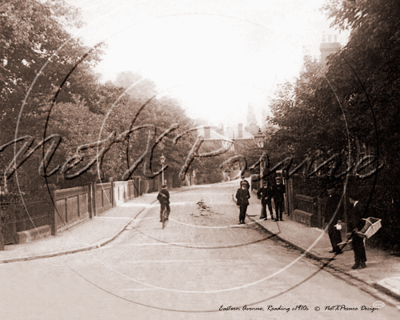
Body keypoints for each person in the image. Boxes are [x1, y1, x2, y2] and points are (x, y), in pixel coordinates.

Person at [348, 197, 367, 269]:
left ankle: (359, 262)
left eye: (349, 199)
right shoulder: (354, 206)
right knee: (357, 245)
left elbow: (362, 219)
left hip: (358, 229)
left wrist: (358, 228)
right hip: (355, 229)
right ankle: (361, 261)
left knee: (358, 245)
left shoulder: (359, 206)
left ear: (351, 199)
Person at [324, 187, 343, 254]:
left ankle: (338, 249)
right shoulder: (329, 197)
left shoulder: (336, 198)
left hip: (335, 219)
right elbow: (326, 209)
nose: (328, 190)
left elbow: (339, 209)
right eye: (328, 189)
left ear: (333, 189)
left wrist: (339, 219)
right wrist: (325, 219)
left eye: (330, 189)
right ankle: (334, 247)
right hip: (329, 219)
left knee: (336, 234)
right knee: (331, 233)